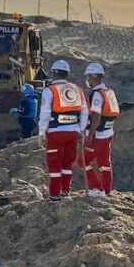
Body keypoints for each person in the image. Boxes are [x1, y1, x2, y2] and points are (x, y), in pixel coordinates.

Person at [38, 60, 88, 201]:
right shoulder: (77, 89)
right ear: (67, 74)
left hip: (56, 132)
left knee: (55, 164)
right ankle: (65, 191)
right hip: (73, 132)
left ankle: (54, 195)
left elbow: (45, 113)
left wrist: (41, 133)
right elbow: (84, 112)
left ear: (54, 73)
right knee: (67, 163)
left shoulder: (50, 90)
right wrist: (81, 130)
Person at [81, 62, 119, 198]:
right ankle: (106, 190)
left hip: (98, 135)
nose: (88, 80)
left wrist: (90, 135)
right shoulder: (109, 92)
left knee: (82, 160)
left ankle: (97, 188)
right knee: (104, 163)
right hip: (109, 132)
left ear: (93, 77)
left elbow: (96, 116)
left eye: (89, 77)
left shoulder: (97, 95)